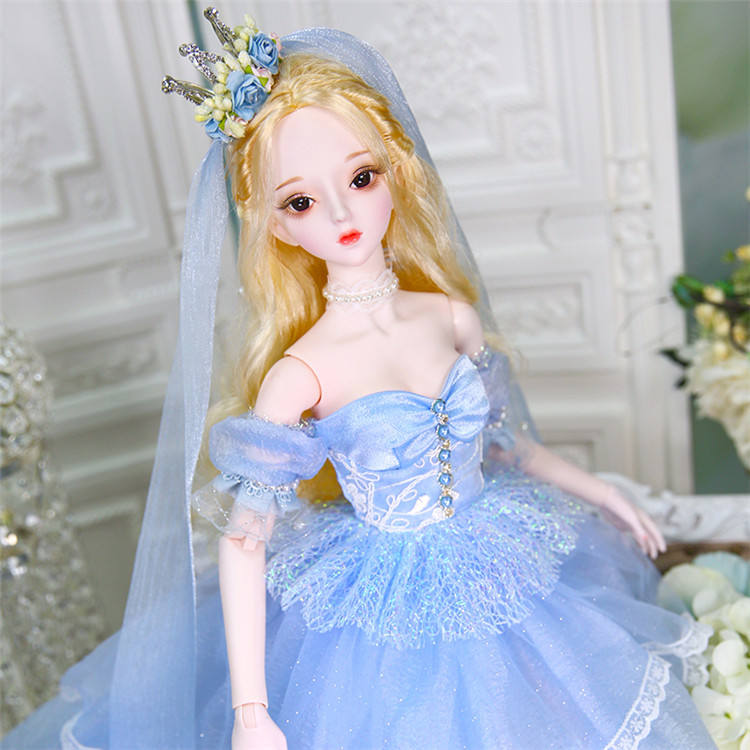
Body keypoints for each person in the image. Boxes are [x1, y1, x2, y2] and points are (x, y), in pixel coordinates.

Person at [1, 11, 716, 750]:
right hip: (383, 608)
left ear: (395, 172)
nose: (341, 212)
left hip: (500, 560)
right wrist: (252, 712)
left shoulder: (450, 316)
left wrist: (604, 494)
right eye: (301, 201)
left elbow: (509, 447)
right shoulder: (300, 374)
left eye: (361, 177)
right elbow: (244, 542)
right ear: (277, 225)